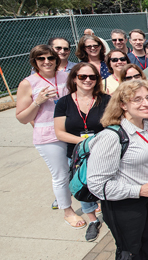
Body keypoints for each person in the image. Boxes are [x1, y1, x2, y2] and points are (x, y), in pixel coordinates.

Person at [87, 79, 148, 260]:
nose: (146, 103)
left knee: (147, 242)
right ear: (123, 104)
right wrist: (139, 190)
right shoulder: (111, 136)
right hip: (126, 204)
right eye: (137, 99)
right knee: (130, 251)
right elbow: (97, 185)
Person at [16, 45, 76, 224]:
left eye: (50, 58)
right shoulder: (28, 83)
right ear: (34, 62)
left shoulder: (66, 77)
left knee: (78, 168)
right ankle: (67, 211)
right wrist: (38, 102)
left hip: (71, 130)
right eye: (41, 59)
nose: (46, 62)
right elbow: (22, 118)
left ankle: (87, 200)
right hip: (49, 136)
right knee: (61, 174)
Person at [53, 63, 109, 241]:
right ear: (74, 78)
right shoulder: (64, 103)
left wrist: (98, 143)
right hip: (77, 154)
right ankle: (93, 220)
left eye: (92, 77)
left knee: (107, 184)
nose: (87, 80)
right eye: (82, 76)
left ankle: (110, 214)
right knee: (81, 186)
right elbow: (59, 132)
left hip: (103, 152)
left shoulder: (105, 100)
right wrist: (86, 142)